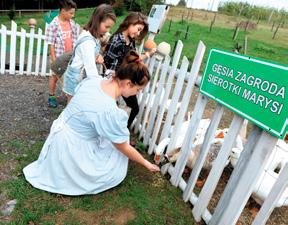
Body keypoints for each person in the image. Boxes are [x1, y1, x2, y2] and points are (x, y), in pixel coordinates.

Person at [23, 51, 160, 196]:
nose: (136, 94)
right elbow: (123, 147)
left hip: (60, 135)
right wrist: (146, 163)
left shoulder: (94, 81)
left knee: (114, 138)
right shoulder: (109, 110)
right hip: (71, 147)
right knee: (116, 158)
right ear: (127, 83)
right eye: (137, 90)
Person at [104, 12, 155, 129]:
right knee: (109, 111)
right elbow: (107, 64)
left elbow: (133, 59)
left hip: (127, 80)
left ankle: (123, 132)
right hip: (114, 80)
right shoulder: (116, 40)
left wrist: (148, 54)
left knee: (135, 108)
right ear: (130, 23)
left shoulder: (131, 41)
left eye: (140, 31)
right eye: (138, 29)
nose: (138, 33)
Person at [63, 4, 116, 103]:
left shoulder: (92, 36)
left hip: (81, 75)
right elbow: (90, 68)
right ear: (97, 21)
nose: (108, 30)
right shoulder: (88, 42)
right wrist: (100, 86)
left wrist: (97, 55)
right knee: (73, 105)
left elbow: (89, 54)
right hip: (76, 77)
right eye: (106, 26)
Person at [45, 0, 78, 108]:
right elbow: (51, 44)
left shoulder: (71, 24)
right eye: (71, 13)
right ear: (63, 11)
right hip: (58, 56)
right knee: (54, 76)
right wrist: (54, 60)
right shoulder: (53, 25)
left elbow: (74, 39)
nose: (73, 16)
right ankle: (51, 96)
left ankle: (69, 95)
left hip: (69, 56)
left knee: (70, 75)